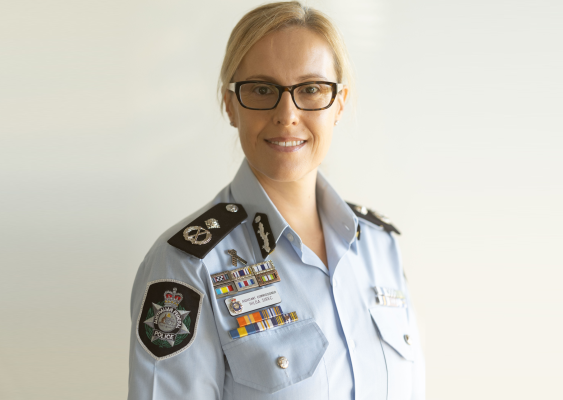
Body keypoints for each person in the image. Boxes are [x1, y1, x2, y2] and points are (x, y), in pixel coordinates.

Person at [127, 2, 425, 399]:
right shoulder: (185, 266)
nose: (287, 114)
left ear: (339, 103)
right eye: (263, 89)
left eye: (312, 89)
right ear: (230, 105)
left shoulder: (379, 246)